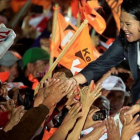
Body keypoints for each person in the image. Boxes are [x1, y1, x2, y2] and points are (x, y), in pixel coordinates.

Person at [68, 0, 140, 104]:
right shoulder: (124, 39)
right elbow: (102, 64)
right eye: (121, 22)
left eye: (128, 24)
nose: (123, 28)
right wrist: (72, 81)